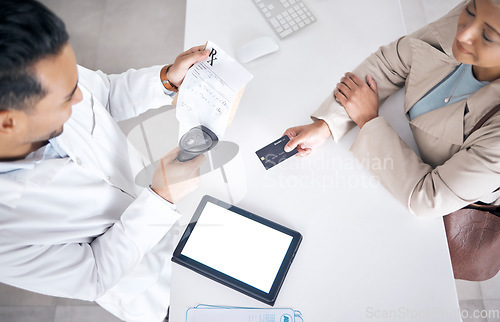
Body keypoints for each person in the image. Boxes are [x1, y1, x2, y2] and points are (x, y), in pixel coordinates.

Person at [0, 0, 210, 321]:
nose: (80, 96)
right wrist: (159, 198)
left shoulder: (48, 72)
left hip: (182, 216)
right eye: (68, 96)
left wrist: (167, 79)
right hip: (155, 290)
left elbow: (105, 93)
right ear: (8, 123)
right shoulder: (6, 229)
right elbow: (95, 274)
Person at [284, 0, 500, 218]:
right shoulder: (484, 12)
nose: (463, 34)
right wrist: (327, 124)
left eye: (488, 36)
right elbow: (391, 63)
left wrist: (368, 121)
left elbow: (427, 197)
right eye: (470, 10)